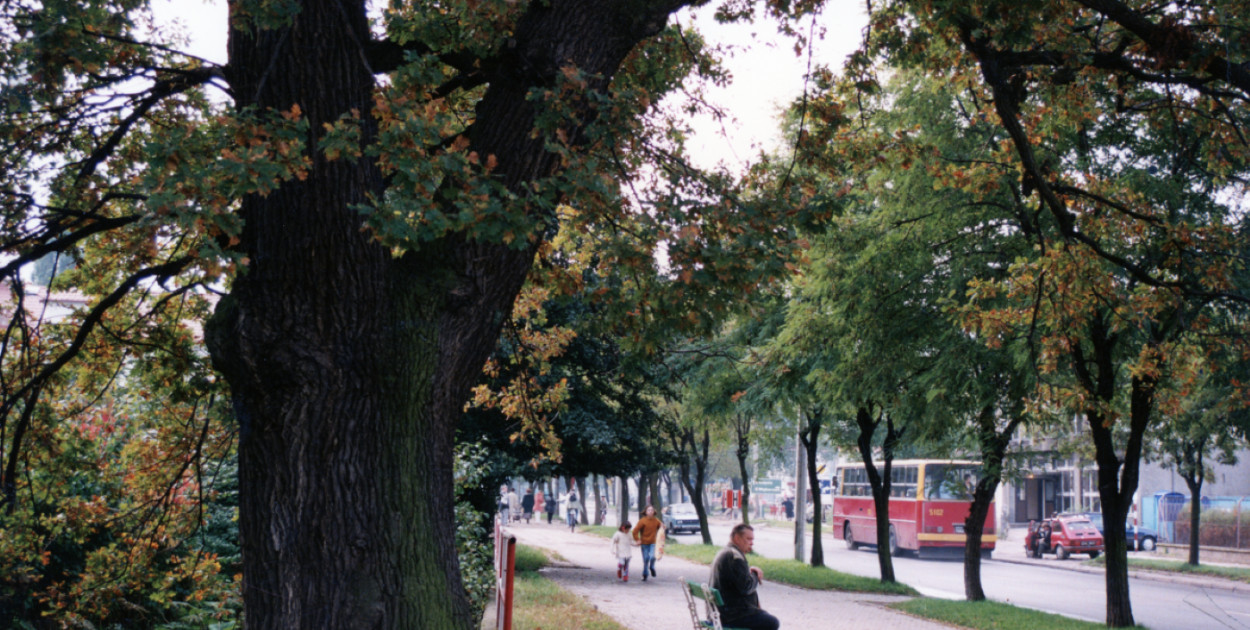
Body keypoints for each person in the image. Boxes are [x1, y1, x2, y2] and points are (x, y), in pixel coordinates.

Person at [710, 524, 779, 630]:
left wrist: (750, 573)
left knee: (764, 617)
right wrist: (755, 575)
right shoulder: (734, 557)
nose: (752, 543)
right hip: (731, 616)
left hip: (719, 612)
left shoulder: (726, 552)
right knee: (772, 622)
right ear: (737, 538)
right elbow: (746, 587)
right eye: (749, 539)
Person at [631, 505, 664, 581]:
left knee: (653, 557)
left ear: (654, 512)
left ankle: (652, 567)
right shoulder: (642, 521)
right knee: (646, 559)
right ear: (645, 512)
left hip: (653, 543)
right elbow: (635, 531)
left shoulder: (656, 520)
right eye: (648, 510)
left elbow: (661, 528)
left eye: (652, 510)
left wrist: (663, 527)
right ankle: (645, 574)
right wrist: (637, 539)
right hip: (644, 543)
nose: (650, 511)